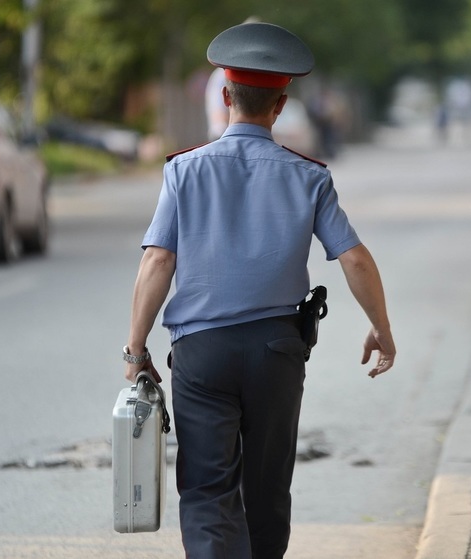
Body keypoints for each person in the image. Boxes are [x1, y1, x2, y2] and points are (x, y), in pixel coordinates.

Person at [123, 22, 396, 559]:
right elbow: (354, 257)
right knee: (268, 491)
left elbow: (158, 259)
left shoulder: (184, 171)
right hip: (277, 352)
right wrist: (382, 330)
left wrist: (135, 351)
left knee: (205, 489)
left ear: (225, 96)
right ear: (280, 105)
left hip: (202, 355)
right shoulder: (309, 177)